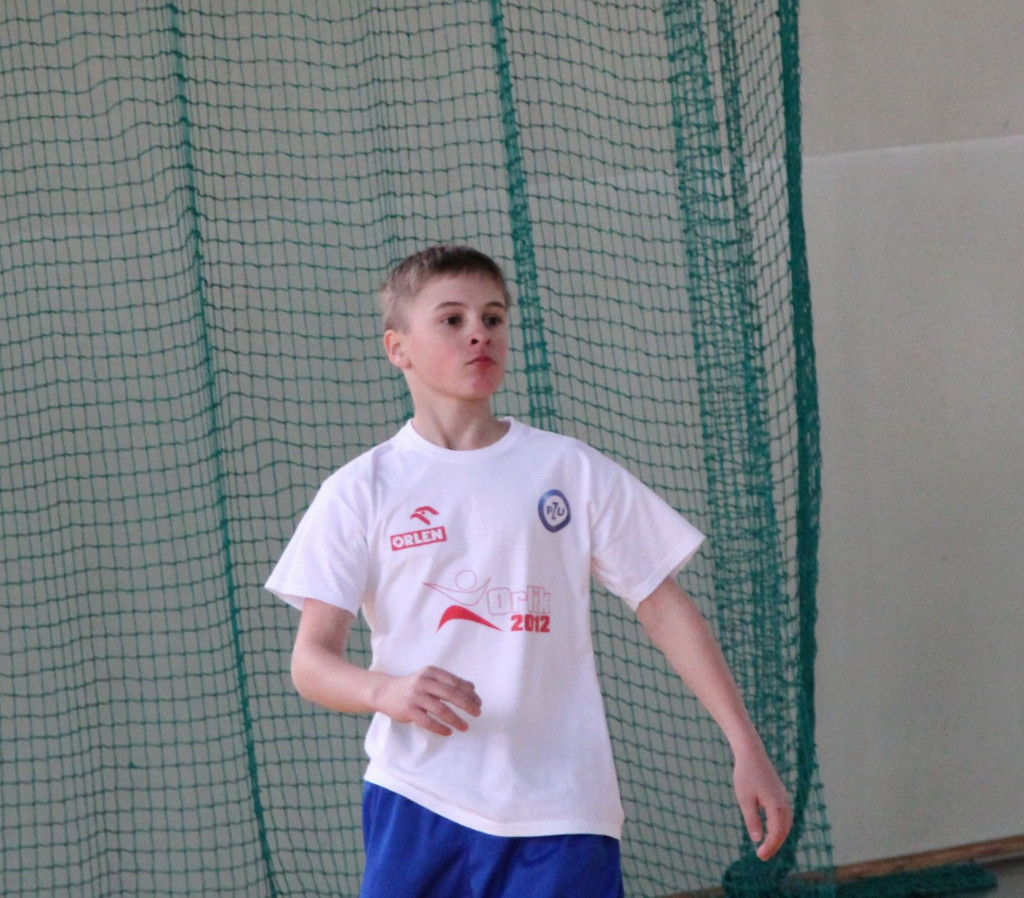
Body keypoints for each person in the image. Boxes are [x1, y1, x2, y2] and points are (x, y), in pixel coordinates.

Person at [265, 244, 793, 897]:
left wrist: (745, 744)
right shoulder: (360, 490)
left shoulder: (569, 470)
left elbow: (664, 605)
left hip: (562, 811)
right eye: (452, 319)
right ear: (398, 348)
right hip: (419, 799)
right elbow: (311, 663)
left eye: (493, 317)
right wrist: (385, 691)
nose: (479, 333)